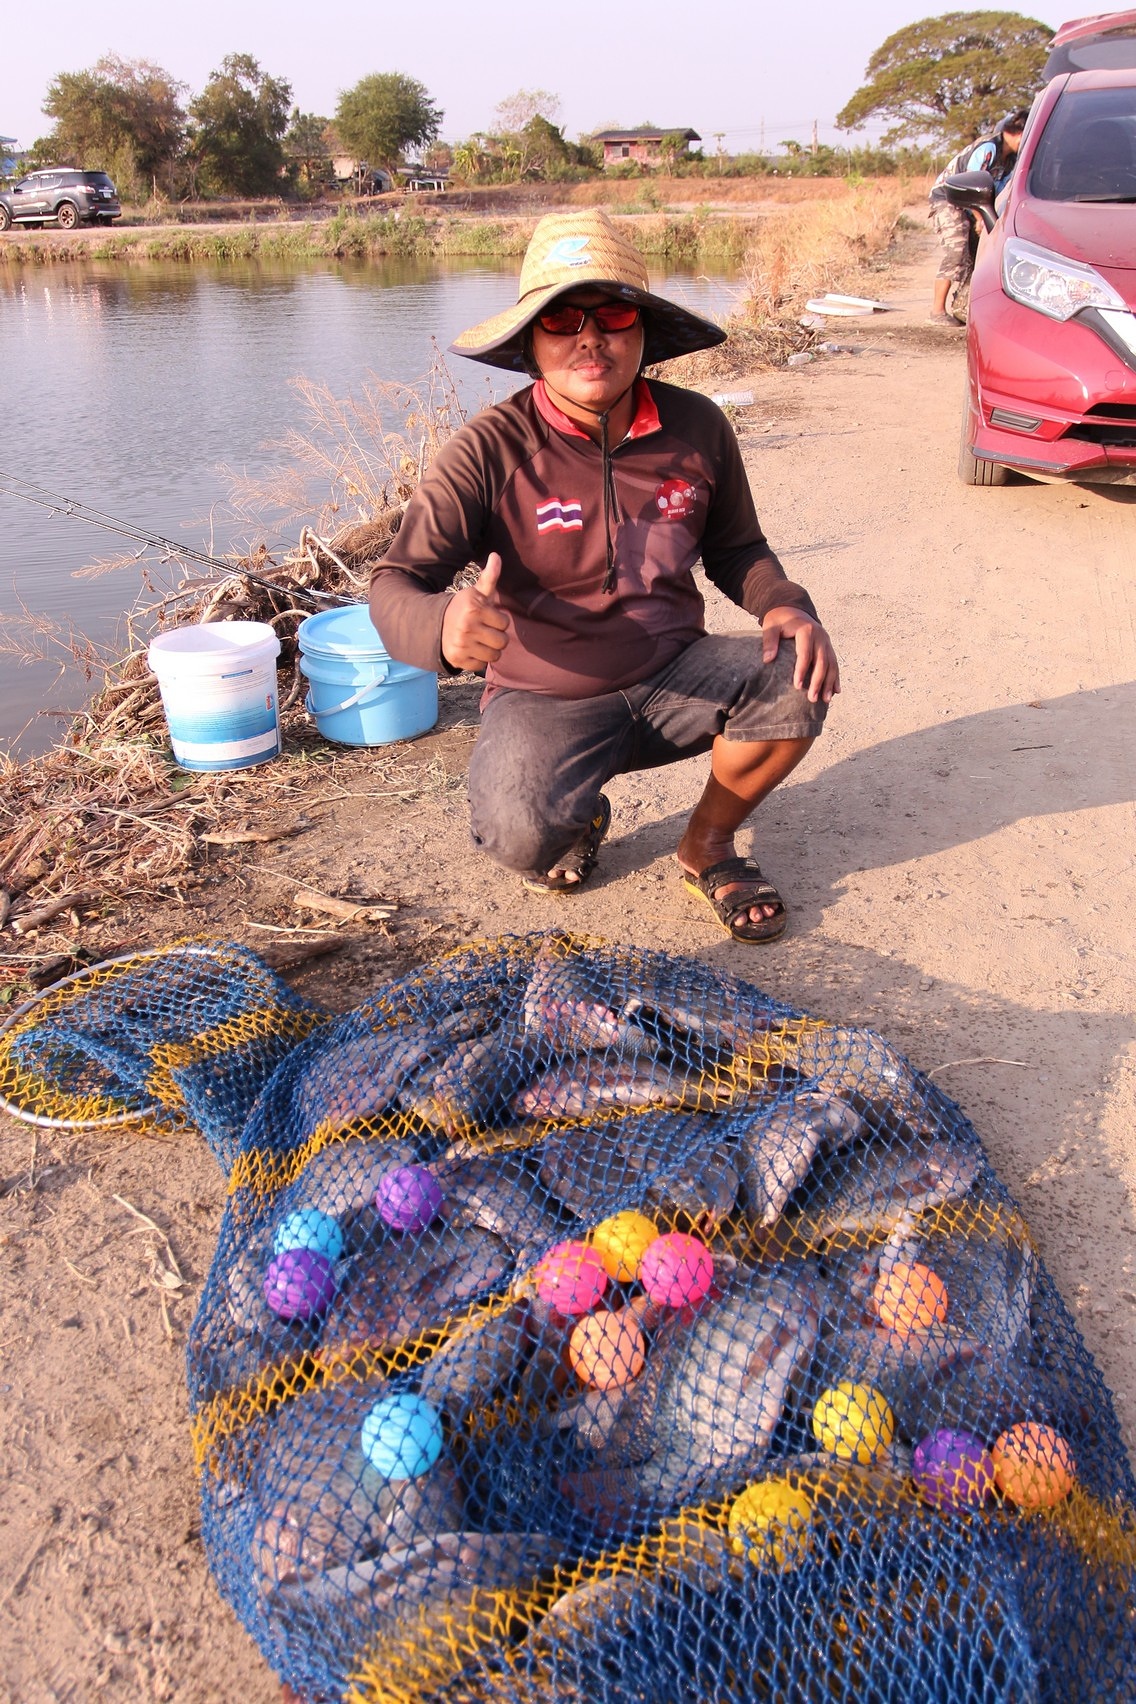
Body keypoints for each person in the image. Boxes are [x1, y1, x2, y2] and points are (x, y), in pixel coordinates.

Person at [368, 209, 839, 945]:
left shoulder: (700, 427)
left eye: (612, 313)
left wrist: (785, 605)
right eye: (561, 319)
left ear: (643, 331)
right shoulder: (487, 450)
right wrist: (443, 628)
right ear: (530, 343)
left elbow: (738, 549)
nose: (590, 337)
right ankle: (580, 814)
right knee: (520, 839)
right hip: (543, 695)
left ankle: (707, 845)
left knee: (798, 675)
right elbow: (395, 583)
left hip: (675, 671)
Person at [927, 110, 1030, 324]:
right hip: (949, 198)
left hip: (974, 206)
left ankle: (962, 307)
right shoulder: (989, 148)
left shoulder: (1011, 159)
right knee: (957, 251)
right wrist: (979, 217)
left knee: (978, 256)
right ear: (1019, 133)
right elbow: (971, 183)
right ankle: (937, 311)